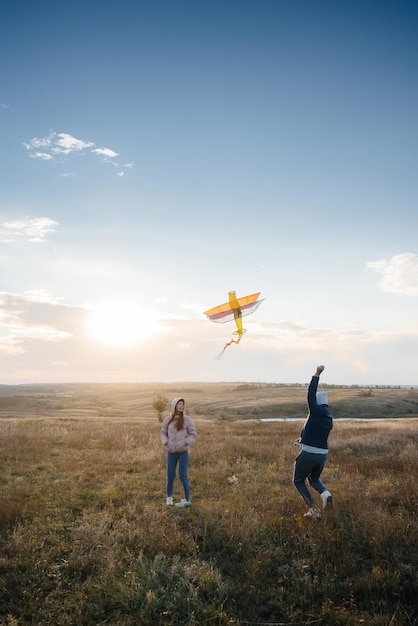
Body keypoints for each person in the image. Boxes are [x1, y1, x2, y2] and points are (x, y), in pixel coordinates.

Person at [293, 365, 333, 518]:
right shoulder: (328, 419)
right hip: (322, 455)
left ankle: (313, 510)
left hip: (309, 454)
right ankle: (325, 494)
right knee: (314, 478)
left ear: (317, 403)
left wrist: (317, 374)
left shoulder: (315, 412)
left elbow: (310, 394)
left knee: (298, 480)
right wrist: (303, 439)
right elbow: (315, 435)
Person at [160, 397, 197, 508]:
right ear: (174, 406)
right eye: (179, 404)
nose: (181, 406)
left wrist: (186, 442)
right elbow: (163, 432)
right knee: (170, 476)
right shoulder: (168, 420)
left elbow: (193, 434)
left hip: (183, 452)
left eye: (182, 404)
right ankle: (169, 498)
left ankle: (186, 500)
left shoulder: (187, 420)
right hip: (171, 452)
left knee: (183, 476)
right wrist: (166, 442)